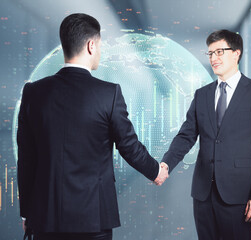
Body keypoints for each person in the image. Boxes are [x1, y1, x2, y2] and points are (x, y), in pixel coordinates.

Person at [17, 13, 168, 240]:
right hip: (93, 218)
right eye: (99, 46)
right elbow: (128, 146)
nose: (100, 51)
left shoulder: (33, 93)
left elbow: (26, 159)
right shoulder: (109, 94)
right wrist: (156, 171)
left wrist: (27, 213)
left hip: (46, 219)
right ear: (90, 45)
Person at [161, 29, 251, 240]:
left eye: (219, 52)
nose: (214, 58)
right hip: (203, 193)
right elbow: (186, 135)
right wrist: (166, 163)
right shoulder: (202, 94)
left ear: (236, 53)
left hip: (239, 194)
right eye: (210, 53)